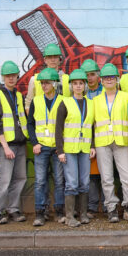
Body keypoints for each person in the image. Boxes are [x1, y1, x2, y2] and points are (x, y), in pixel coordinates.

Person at [92, 63, 128, 222]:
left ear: (117, 80)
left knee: (127, 176)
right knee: (106, 177)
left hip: (122, 142)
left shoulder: (127, 97)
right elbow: (90, 124)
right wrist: (92, 145)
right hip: (102, 143)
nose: (109, 80)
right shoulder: (95, 100)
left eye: (112, 77)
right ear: (101, 81)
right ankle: (111, 208)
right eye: (106, 78)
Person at [0, 61, 28, 224]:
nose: (11, 78)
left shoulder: (18, 94)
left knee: (20, 178)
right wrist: (5, 146)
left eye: (13, 75)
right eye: (8, 76)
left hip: (19, 143)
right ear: (3, 77)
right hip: (6, 145)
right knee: (3, 180)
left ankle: (13, 209)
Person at [56, 69, 95, 227]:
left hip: (85, 148)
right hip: (69, 149)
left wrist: (92, 146)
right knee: (71, 183)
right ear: (71, 86)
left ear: (85, 85)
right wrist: (60, 151)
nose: (78, 86)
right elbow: (58, 129)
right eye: (75, 84)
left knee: (84, 182)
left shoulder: (90, 103)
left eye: (81, 83)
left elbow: (91, 126)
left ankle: (83, 214)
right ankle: (70, 216)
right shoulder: (65, 103)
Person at [27, 67, 65, 225]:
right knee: (40, 181)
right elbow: (30, 124)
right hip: (41, 147)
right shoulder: (36, 101)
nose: (43, 86)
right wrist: (35, 143)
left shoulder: (63, 101)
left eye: (47, 83)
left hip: (57, 148)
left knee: (59, 180)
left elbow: (67, 125)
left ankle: (59, 212)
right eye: (42, 83)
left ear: (55, 84)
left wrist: (61, 147)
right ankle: (40, 213)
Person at [82, 58, 103, 220]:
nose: (89, 78)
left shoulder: (105, 92)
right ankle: (92, 207)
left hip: (105, 138)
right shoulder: (82, 95)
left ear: (98, 76)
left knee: (109, 175)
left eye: (92, 74)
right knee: (92, 176)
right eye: (86, 75)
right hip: (88, 141)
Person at [25, 43, 69, 113]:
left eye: (55, 57)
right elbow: (28, 104)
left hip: (63, 122)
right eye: (50, 57)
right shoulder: (34, 80)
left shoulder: (68, 80)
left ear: (60, 60)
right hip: (43, 122)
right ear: (45, 60)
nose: (53, 60)